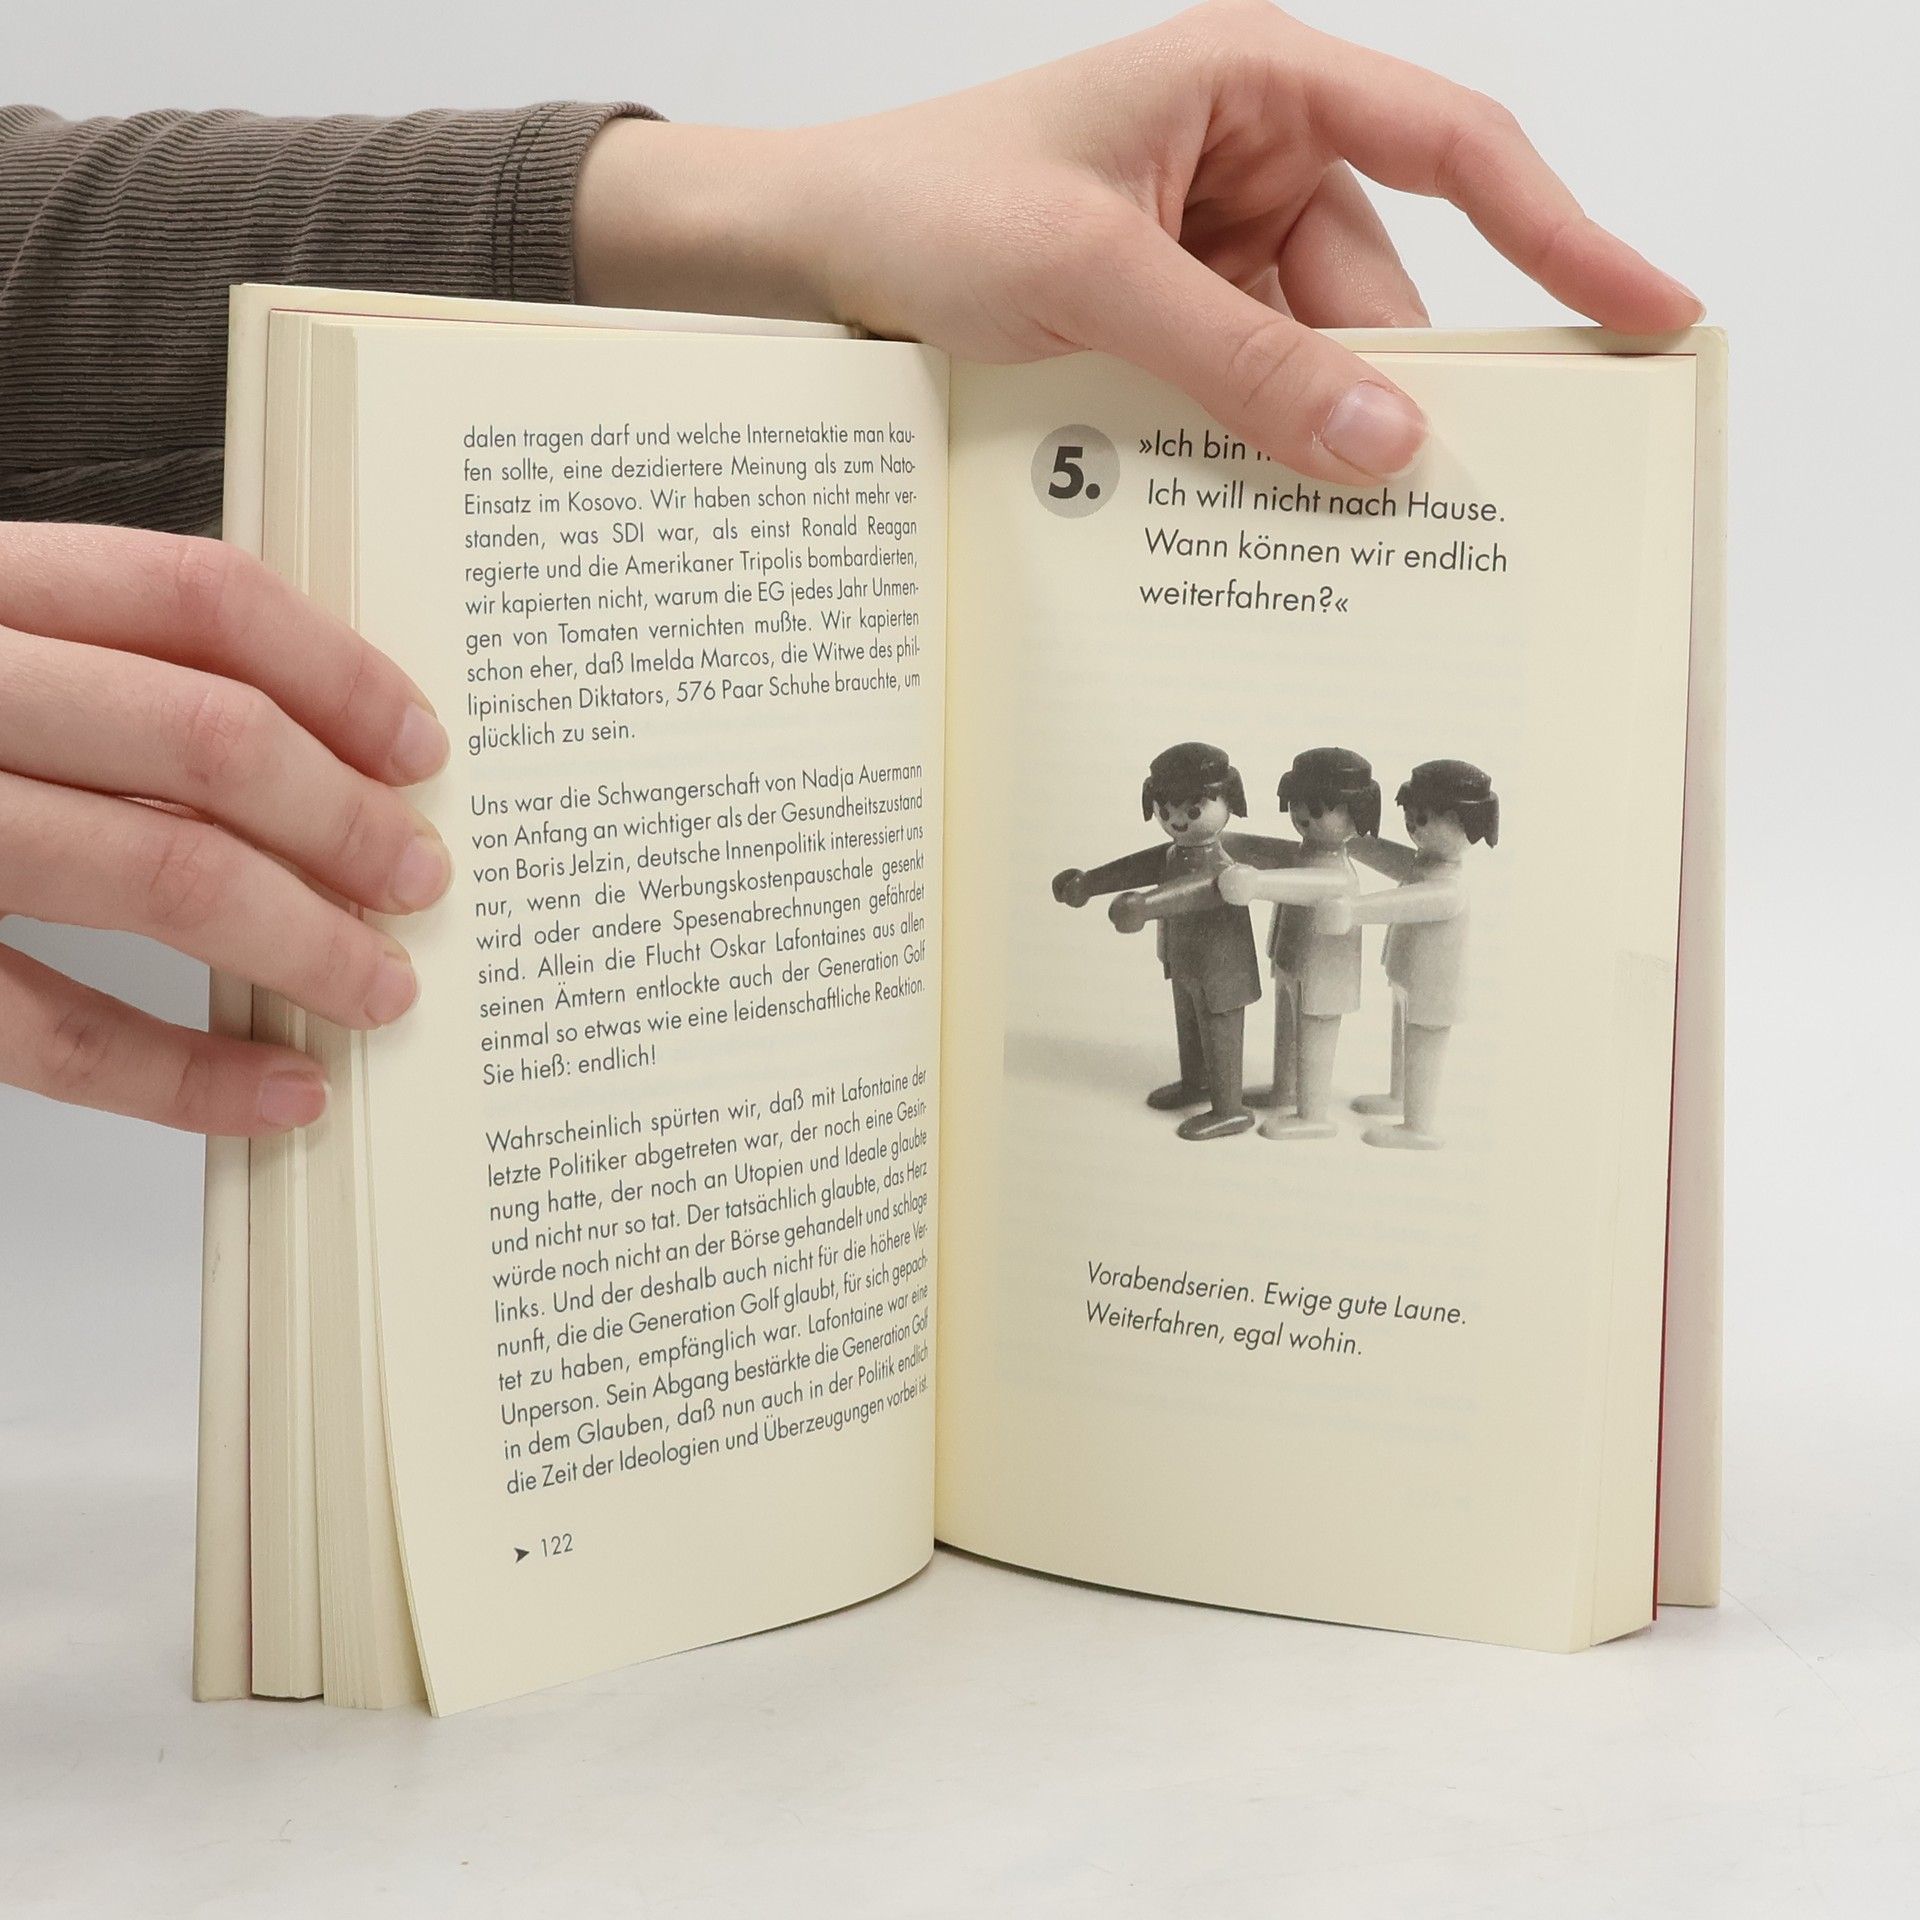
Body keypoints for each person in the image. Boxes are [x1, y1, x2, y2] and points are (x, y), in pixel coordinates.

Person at [0, 1, 1699, 1137]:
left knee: (1301, 1060)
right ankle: (1245, 1096)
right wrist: (1119, 883)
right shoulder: (1225, 842)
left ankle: (1288, 1110)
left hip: (1271, 976)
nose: (1217, 812)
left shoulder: (1306, 858)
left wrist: (783, 203)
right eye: (1207, 800)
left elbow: (1281, 873)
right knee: (1229, 1051)